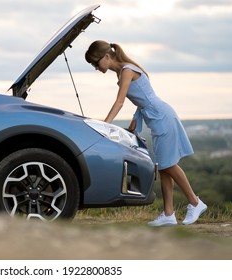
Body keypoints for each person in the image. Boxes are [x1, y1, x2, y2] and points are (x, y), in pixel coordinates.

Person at [85, 40, 207, 226]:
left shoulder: (126, 70)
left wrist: (105, 125)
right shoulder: (122, 71)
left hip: (162, 117)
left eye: (95, 62)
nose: (95, 67)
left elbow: (120, 102)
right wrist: (134, 123)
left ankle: (195, 202)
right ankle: (168, 214)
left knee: (168, 165)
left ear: (107, 57)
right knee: (164, 166)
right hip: (156, 118)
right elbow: (140, 101)